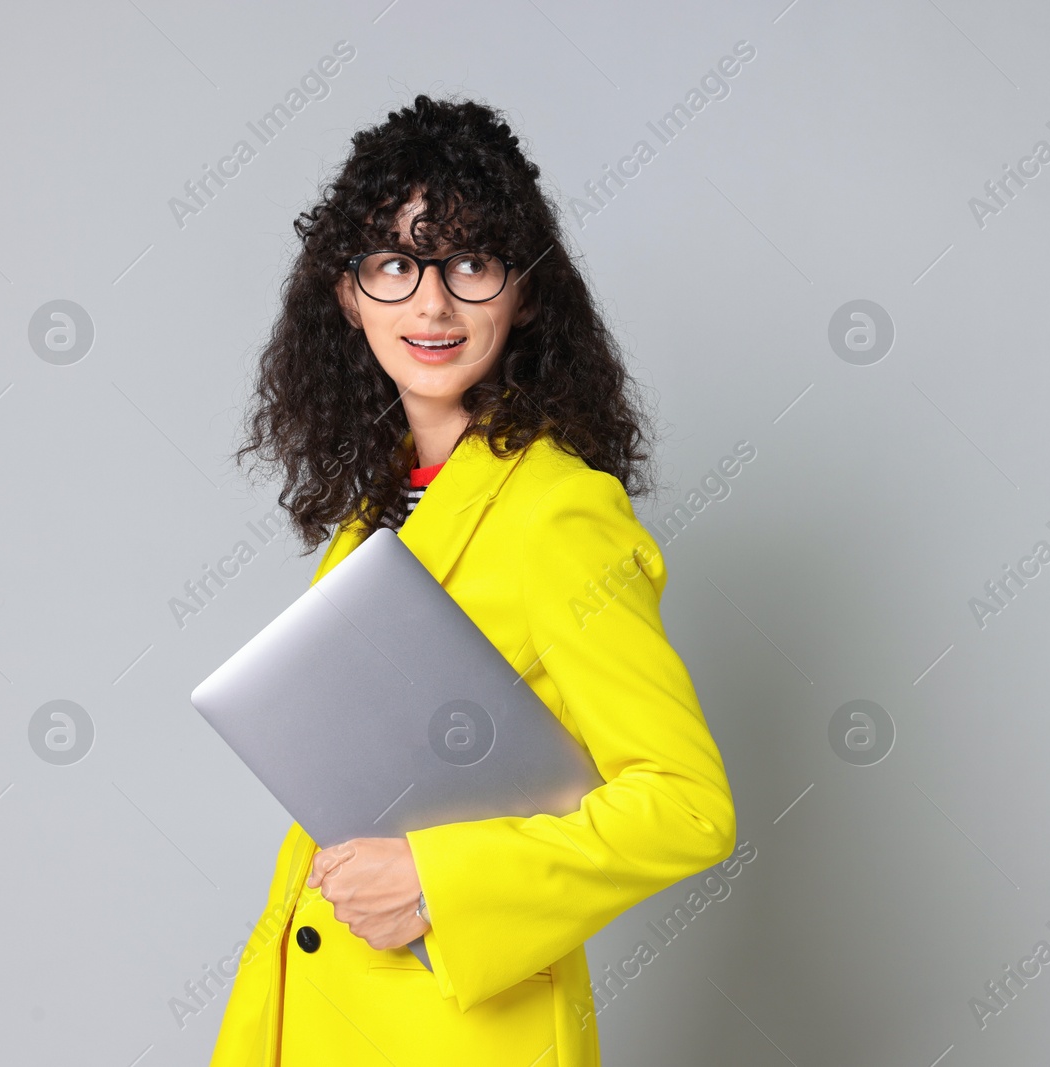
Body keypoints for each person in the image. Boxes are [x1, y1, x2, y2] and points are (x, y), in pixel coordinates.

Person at [210, 94, 737, 1065]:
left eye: (470, 262)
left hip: (459, 1032)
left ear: (523, 291)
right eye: (395, 264)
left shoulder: (556, 512)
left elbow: (685, 802)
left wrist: (436, 880)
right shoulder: (380, 511)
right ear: (348, 293)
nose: (431, 304)